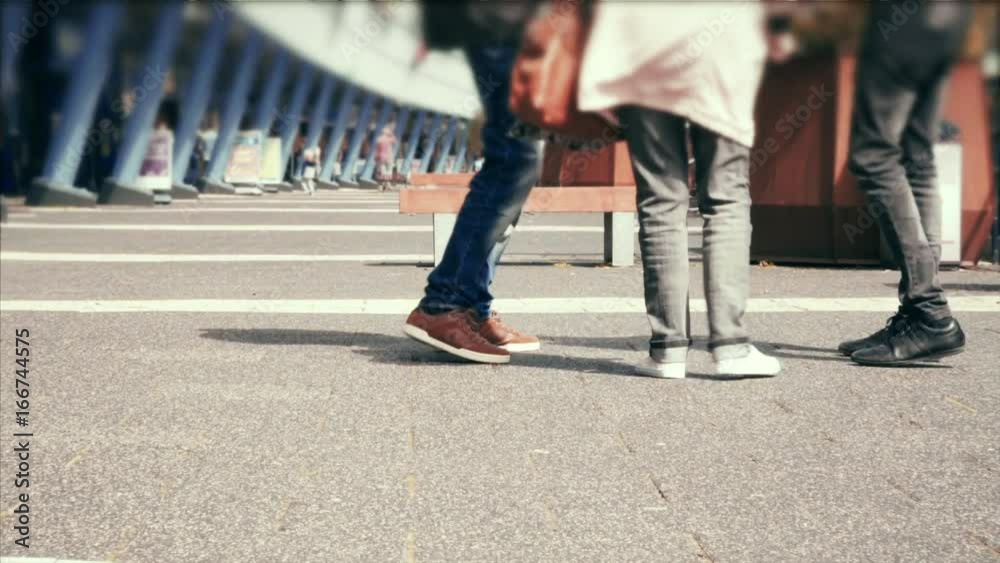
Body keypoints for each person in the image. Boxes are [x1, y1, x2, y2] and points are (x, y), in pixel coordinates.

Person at [577, 2, 782, 378]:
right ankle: (731, 347)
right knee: (726, 196)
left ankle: (668, 351)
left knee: (660, 198)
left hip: (641, 42)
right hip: (720, 39)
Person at [404, 1, 543, 364]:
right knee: (514, 158)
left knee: (517, 159)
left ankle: (471, 305)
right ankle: (444, 304)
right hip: (499, 18)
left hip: (513, 21)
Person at [839, 1, 972, 366]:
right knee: (917, 156)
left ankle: (929, 310)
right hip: (948, 15)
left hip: (903, 17)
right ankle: (919, 315)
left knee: (873, 156)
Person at [374, 125, 397, 190]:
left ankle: (383, 185)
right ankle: (387, 185)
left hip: (381, 157)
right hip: (389, 157)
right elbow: (395, 141)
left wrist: (376, 156)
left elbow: (377, 149)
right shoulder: (389, 139)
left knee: (383, 172)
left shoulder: (379, 139)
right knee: (389, 171)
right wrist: (391, 134)